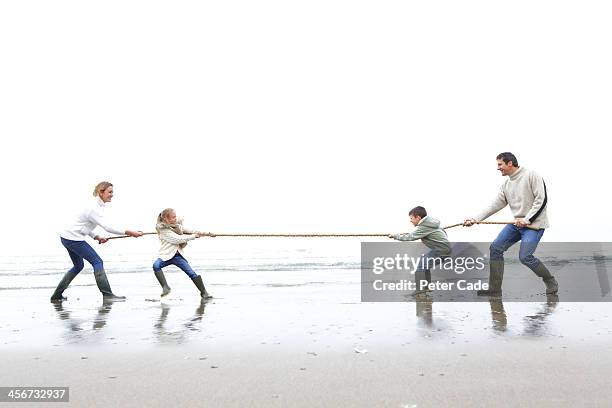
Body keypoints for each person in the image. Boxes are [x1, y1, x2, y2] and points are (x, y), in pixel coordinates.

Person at [464, 152, 558, 296]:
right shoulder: (506, 184)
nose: (498, 168)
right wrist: (475, 219)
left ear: (510, 163)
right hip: (516, 224)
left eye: (500, 164)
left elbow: (542, 199)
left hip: (534, 225)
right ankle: (494, 289)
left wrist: (526, 220)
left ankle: (549, 280)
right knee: (495, 248)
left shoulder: (532, 175)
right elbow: (494, 205)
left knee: (525, 257)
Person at [51, 181, 144, 302]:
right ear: (101, 192)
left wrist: (96, 237)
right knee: (97, 261)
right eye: (110, 192)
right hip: (73, 238)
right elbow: (108, 227)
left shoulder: (97, 206)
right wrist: (129, 232)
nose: (112, 194)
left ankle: (56, 295)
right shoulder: (94, 208)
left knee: (78, 266)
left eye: (112, 192)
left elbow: (84, 225)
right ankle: (107, 295)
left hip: (67, 237)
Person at [152, 208, 214, 299]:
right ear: (165, 218)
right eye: (173, 217)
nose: (175, 219)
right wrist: (193, 237)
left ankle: (204, 292)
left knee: (191, 273)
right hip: (166, 255)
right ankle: (165, 287)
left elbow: (191, 231)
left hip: (178, 256)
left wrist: (207, 234)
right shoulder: (162, 229)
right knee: (156, 265)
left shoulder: (177, 226)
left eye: (175, 217)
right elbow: (177, 239)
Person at [389, 206, 452, 295]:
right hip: (443, 249)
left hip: (440, 251)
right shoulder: (431, 224)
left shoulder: (424, 226)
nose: (410, 220)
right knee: (423, 263)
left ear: (418, 217)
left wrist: (395, 236)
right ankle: (426, 287)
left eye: (411, 218)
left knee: (420, 267)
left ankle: (421, 289)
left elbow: (410, 237)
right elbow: (442, 232)